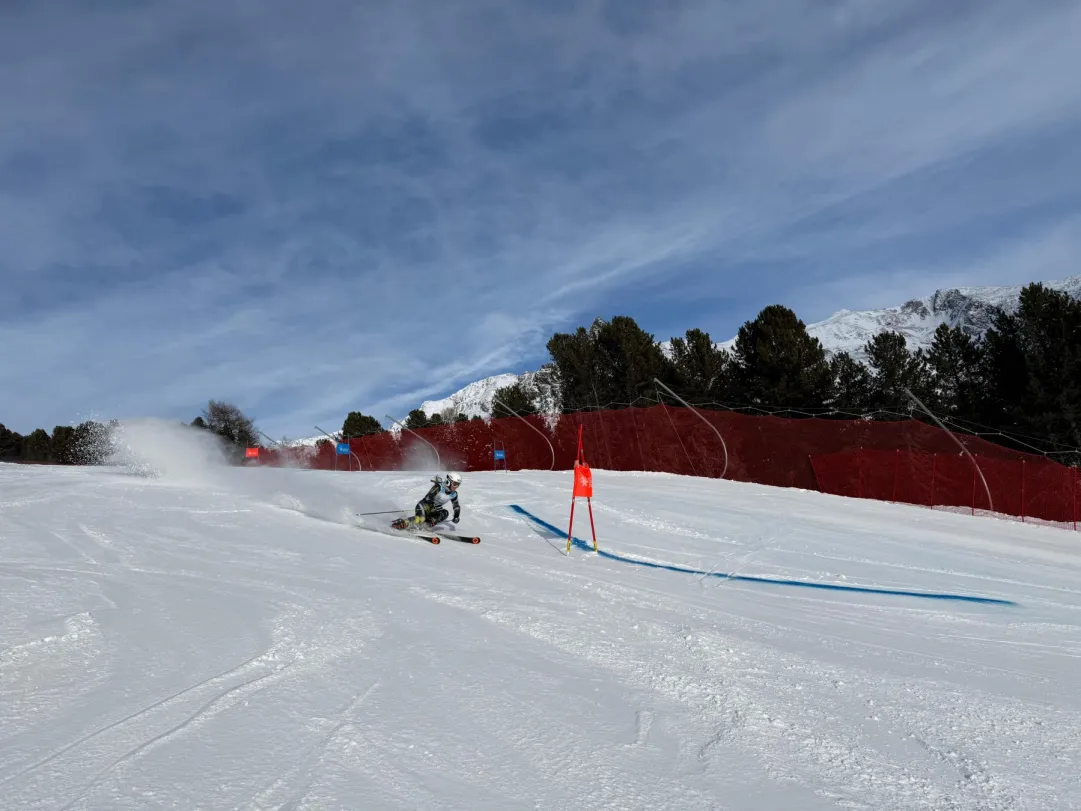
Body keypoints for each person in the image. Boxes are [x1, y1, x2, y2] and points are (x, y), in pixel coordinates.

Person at [393, 472, 462, 529]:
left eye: (458, 485)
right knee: (421, 519)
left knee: (445, 513)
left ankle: (426, 525)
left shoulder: (454, 494)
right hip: (424, 506)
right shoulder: (439, 487)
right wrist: (433, 506)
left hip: (434, 510)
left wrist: (456, 516)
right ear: (448, 482)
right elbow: (428, 498)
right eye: (455, 484)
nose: (456, 487)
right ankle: (401, 523)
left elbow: (456, 506)